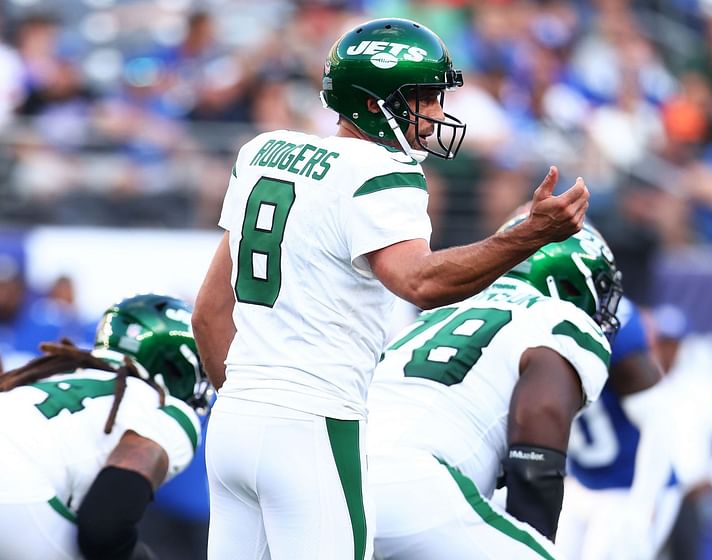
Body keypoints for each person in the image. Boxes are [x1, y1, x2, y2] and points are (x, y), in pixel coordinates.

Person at [192, 17, 590, 560]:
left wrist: (248, 404)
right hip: (315, 424)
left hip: (234, 423)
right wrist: (531, 236)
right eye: (422, 98)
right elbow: (420, 282)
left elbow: (209, 315)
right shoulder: (381, 170)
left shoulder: (262, 153)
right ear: (374, 103)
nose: (435, 114)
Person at [366, 220, 622, 559]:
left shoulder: (440, 311)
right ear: (568, 280)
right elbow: (535, 463)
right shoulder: (559, 320)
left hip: (338, 475)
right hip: (416, 489)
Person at [0, 293, 210, 560]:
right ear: (176, 364)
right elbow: (103, 529)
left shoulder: (51, 374)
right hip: (15, 497)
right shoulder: (161, 408)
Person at [556, 297, 677, 560]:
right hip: (581, 479)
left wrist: (644, 503)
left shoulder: (613, 329)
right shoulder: (532, 320)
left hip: (627, 483)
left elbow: (660, 423)